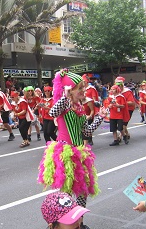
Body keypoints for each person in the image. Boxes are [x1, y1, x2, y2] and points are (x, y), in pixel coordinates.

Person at [38, 69, 107, 208]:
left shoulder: (80, 107)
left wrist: (100, 117)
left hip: (79, 152)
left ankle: (79, 221)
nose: (83, 91)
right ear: (70, 90)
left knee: (82, 191)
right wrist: (65, 96)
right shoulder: (64, 104)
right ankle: (68, 222)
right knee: (67, 193)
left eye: (83, 87)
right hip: (65, 153)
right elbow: (53, 112)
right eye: (80, 88)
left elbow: (86, 131)